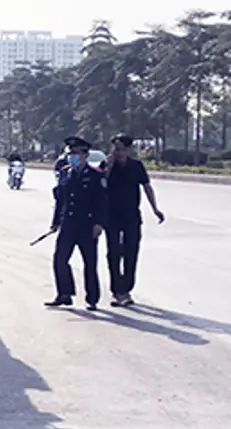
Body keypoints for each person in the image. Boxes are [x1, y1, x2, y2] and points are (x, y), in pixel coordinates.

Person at [45, 135, 108, 311]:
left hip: (87, 225)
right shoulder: (65, 172)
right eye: (70, 153)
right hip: (68, 224)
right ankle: (64, 294)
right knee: (60, 259)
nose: (71, 156)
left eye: (75, 153)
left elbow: (101, 201)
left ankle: (92, 298)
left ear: (85, 155)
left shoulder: (95, 175)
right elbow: (61, 199)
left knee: (89, 263)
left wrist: (99, 223)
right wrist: (56, 221)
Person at [105, 133, 165, 307]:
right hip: (111, 216)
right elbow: (101, 183)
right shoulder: (108, 165)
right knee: (114, 253)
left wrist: (155, 209)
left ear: (129, 150)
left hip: (131, 216)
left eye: (122, 149)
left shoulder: (136, 166)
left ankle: (126, 290)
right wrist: (109, 163)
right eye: (116, 149)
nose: (119, 153)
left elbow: (147, 187)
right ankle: (117, 292)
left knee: (131, 252)